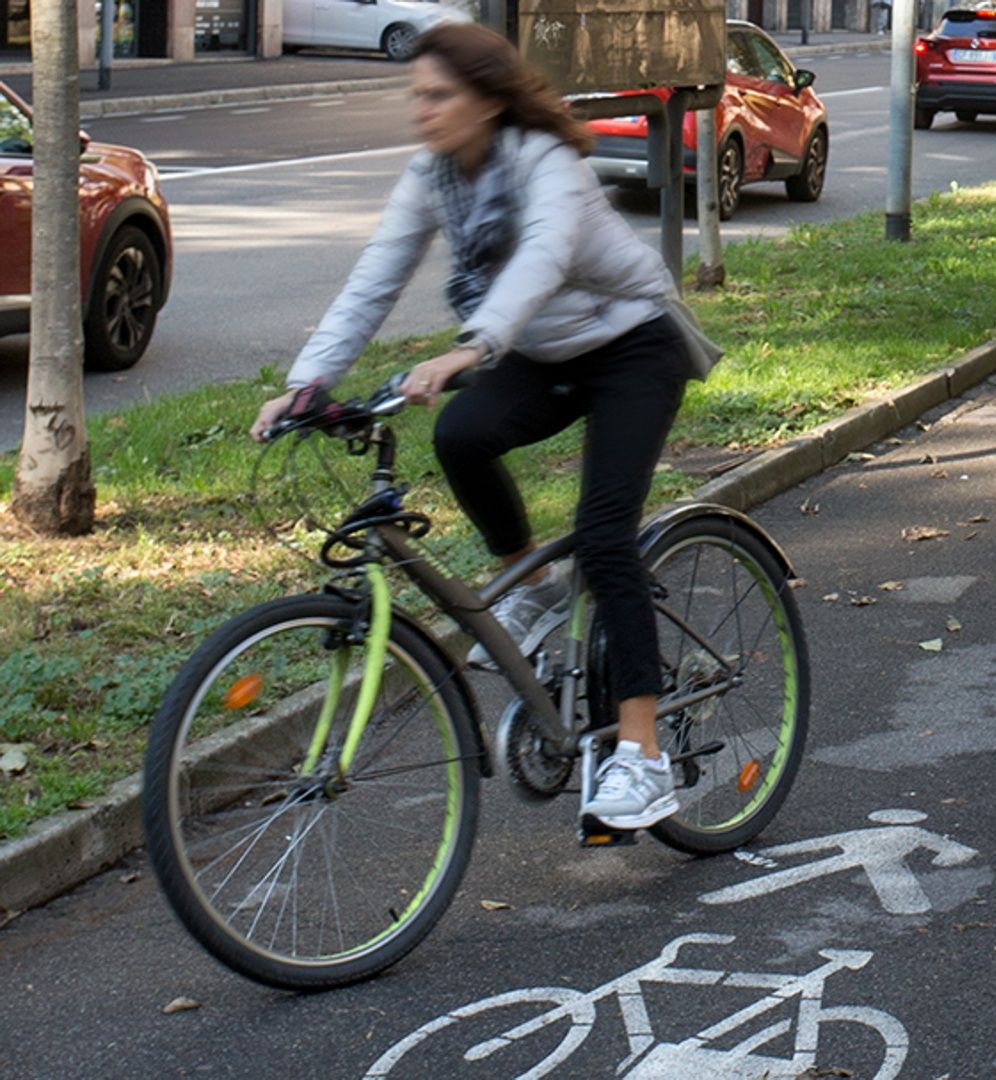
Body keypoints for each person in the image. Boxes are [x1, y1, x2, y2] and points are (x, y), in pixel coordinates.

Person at [250, 22, 703, 832]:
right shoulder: (432, 177)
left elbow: (544, 256)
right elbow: (373, 281)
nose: (422, 111)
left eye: (440, 96)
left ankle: (643, 756)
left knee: (606, 536)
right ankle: (534, 586)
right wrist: (305, 387)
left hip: (633, 344)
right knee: (460, 435)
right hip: (543, 350)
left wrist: (472, 347)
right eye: (416, 96)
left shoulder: (547, 161)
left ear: (489, 101)